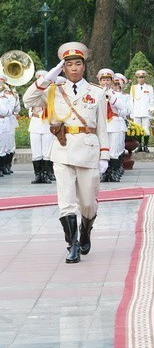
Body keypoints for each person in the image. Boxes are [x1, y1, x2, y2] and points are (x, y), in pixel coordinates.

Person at [23, 42, 110, 263]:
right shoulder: (53, 89)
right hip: (62, 150)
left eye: (77, 64)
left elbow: (101, 126)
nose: (73, 68)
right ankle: (72, 245)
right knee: (66, 201)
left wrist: (105, 154)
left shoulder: (96, 92)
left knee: (88, 203)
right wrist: (47, 78)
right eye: (68, 64)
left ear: (84, 66)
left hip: (88, 150)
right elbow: (28, 100)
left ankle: (86, 230)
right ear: (63, 67)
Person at [99, 69, 129, 183]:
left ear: (111, 81)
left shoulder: (116, 94)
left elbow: (122, 107)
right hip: (102, 124)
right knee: (102, 151)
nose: (105, 82)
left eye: (107, 80)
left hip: (114, 124)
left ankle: (113, 173)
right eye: (103, 80)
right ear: (99, 81)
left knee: (114, 150)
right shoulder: (96, 93)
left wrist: (110, 95)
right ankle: (104, 173)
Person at [28, 70, 54, 184]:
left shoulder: (51, 92)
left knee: (46, 152)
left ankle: (46, 175)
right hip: (35, 123)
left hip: (47, 124)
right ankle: (38, 175)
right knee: (36, 152)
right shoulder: (33, 93)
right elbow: (27, 103)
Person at [129, 70, 154, 152]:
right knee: (138, 130)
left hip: (146, 112)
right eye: (139, 77)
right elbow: (131, 100)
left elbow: (152, 101)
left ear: (145, 78)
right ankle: (139, 145)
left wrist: (151, 111)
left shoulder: (149, 88)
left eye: (142, 77)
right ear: (137, 78)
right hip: (136, 112)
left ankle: (146, 146)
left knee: (146, 130)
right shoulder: (133, 88)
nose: (141, 79)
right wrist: (131, 112)